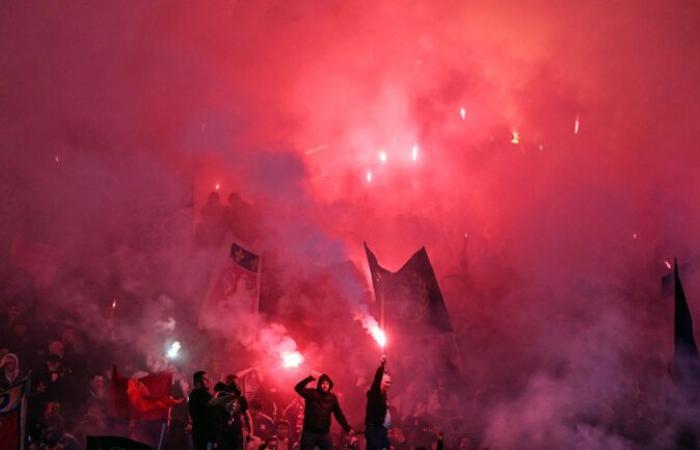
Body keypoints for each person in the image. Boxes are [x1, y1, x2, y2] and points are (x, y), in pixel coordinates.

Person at [294, 372, 354, 450]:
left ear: (330, 385)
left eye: (327, 384)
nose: (325, 385)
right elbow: (298, 388)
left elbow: (339, 414)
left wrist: (347, 428)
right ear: (319, 384)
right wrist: (308, 379)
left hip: (324, 433)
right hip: (309, 433)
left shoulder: (332, 398)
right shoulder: (312, 393)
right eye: (323, 383)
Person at [189, 370, 237, 450]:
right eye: (205, 379)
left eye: (208, 379)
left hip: (210, 436)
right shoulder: (198, 393)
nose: (208, 381)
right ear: (198, 381)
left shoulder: (202, 394)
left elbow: (213, 405)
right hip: (206, 436)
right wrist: (232, 396)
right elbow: (213, 402)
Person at [365, 354, 391, 450]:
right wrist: (382, 365)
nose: (389, 385)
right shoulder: (375, 392)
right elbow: (376, 380)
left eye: (390, 383)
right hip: (373, 430)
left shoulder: (384, 394)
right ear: (381, 381)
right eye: (387, 382)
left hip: (380, 430)